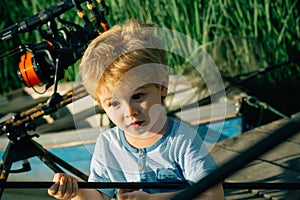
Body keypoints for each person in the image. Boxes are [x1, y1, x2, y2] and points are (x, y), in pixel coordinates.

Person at [48, 19, 224, 200]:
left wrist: (150, 199)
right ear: (100, 104)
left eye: (138, 96)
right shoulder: (108, 144)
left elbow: (213, 195)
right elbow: (100, 196)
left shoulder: (182, 139)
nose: (130, 112)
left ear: (162, 85)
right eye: (114, 103)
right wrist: (75, 191)